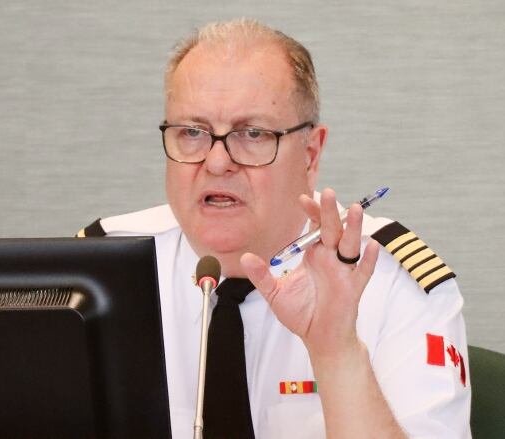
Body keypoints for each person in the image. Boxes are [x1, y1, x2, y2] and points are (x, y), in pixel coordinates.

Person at [79, 19, 470, 438]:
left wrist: (336, 352)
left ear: (311, 153)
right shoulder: (100, 273)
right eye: (192, 132)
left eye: (253, 134)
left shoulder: (392, 283)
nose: (216, 162)